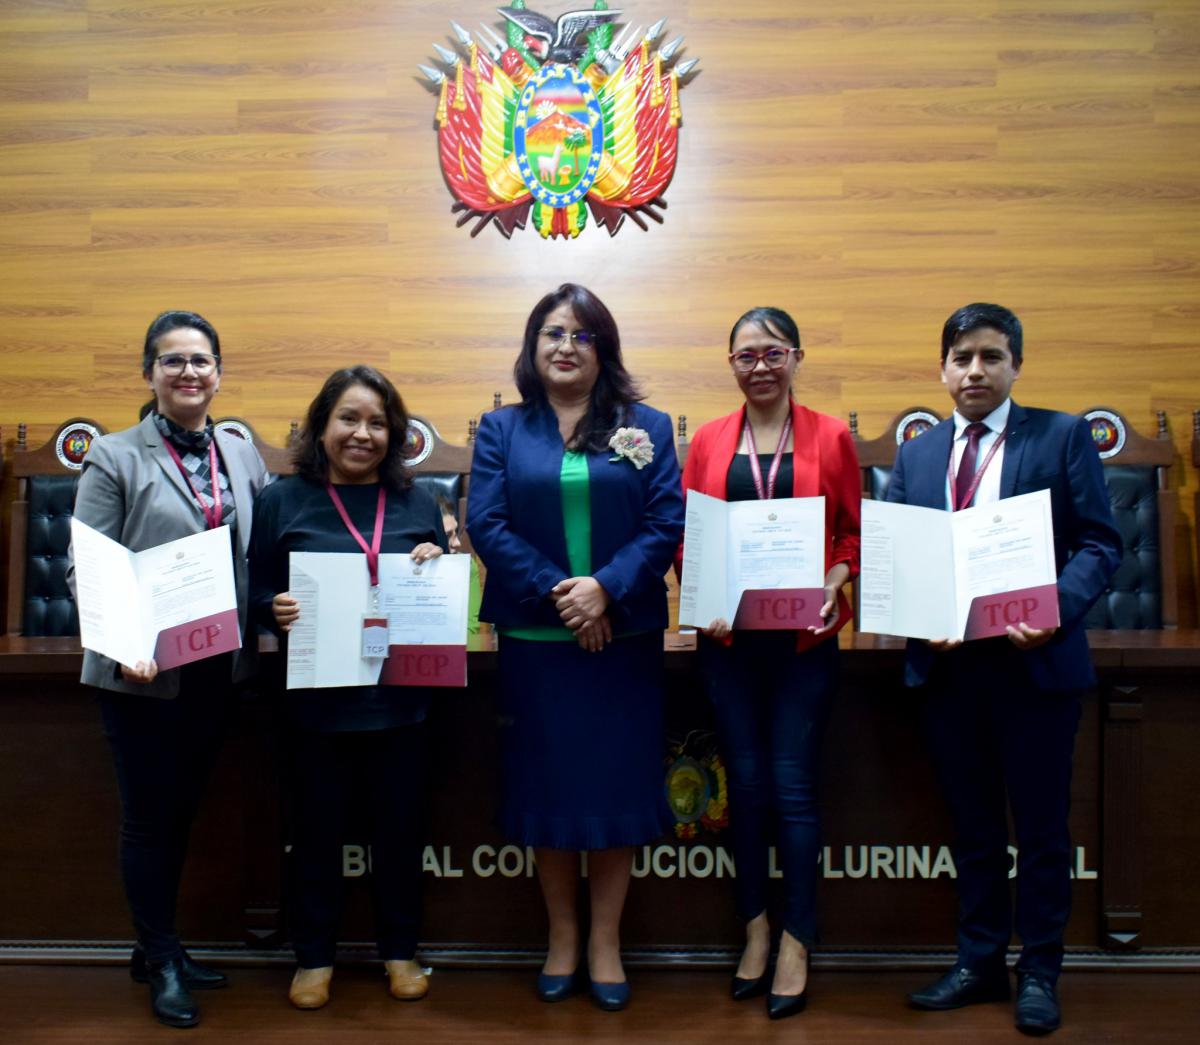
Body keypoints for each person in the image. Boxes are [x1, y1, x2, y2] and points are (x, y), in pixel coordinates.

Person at [887, 303, 1122, 1035]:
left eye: (991, 356)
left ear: (1016, 364)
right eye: (961, 358)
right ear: (942, 369)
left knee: (1043, 831)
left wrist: (1057, 607)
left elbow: (1101, 544)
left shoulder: (1060, 435)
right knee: (975, 829)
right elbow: (896, 553)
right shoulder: (918, 455)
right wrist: (919, 615)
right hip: (951, 672)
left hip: (1034, 665)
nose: (975, 371)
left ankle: (1040, 972)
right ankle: (979, 961)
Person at [467, 283, 684, 1011]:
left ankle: (606, 941)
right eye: (553, 333)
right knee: (548, 788)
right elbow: (487, 523)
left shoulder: (646, 425)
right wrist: (566, 594)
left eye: (582, 335)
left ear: (604, 350)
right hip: (537, 642)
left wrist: (606, 590)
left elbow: (665, 521)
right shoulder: (501, 429)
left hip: (622, 643)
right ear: (533, 346)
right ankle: (562, 936)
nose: (566, 346)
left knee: (615, 788)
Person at [67, 310, 269, 1028]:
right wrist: (125, 642)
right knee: (150, 820)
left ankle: (155, 945)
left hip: (218, 669)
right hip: (143, 673)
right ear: (149, 373)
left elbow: (261, 549)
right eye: (173, 360)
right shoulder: (115, 456)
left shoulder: (241, 454)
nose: (189, 372)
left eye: (201, 360)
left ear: (219, 372)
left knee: (181, 813)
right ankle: (161, 958)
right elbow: (86, 566)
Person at [678, 307, 860, 1020]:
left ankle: (796, 938)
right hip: (730, 644)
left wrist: (836, 581)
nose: (760, 365)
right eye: (746, 354)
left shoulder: (831, 435)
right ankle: (754, 926)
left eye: (773, 352)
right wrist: (704, 596)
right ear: (731, 363)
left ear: (796, 357)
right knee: (746, 787)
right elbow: (689, 538)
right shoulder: (709, 441)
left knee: (792, 788)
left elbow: (851, 534)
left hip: (803, 643)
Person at [248, 366, 447, 1011]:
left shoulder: (419, 502)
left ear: (394, 434)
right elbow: (252, 591)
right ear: (322, 425)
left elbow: (451, 600)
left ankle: (401, 952)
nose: (363, 434)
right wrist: (271, 607)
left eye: (378, 423)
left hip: (400, 701)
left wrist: (440, 564)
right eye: (349, 419)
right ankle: (313, 958)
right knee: (315, 834)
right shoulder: (282, 500)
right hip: (314, 704)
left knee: (400, 833)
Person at [435, 493, 482, 635]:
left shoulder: (466, 565)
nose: (457, 543)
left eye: (455, 532)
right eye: (447, 535)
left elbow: (470, 627)